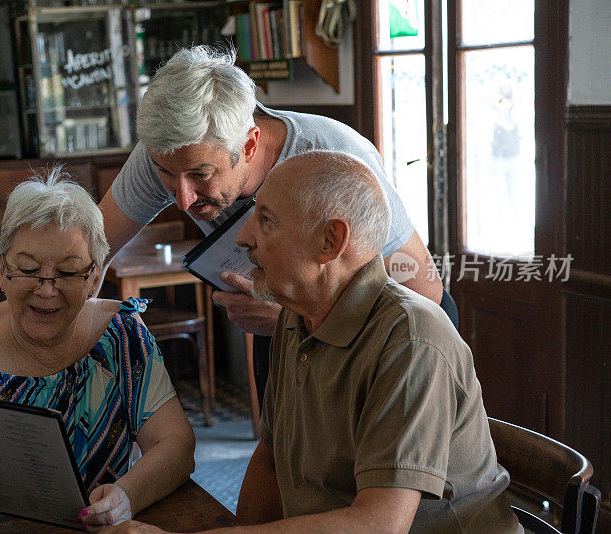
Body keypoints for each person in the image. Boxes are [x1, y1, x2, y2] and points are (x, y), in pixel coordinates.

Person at [99, 152, 519, 534]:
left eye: (266, 219)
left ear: (330, 241)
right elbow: (270, 457)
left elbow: (378, 525)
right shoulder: (295, 317)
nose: (243, 237)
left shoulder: (411, 341)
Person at [98, 45, 454, 407]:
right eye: (167, 175)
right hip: (282, 319)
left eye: (201, 175)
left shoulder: (333, 156)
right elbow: (91, 251)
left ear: (249, 144)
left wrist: (295, 315)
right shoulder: (167, 152)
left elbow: (424, 293)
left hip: (397, 332)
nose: (183, 200)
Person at [0, 167, 195, 530]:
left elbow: (177, 445)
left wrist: (127, 495)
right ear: (1, 271)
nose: (46, 289)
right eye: (28, 269)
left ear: (94, 277)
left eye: (69, 272)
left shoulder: (120, 337)